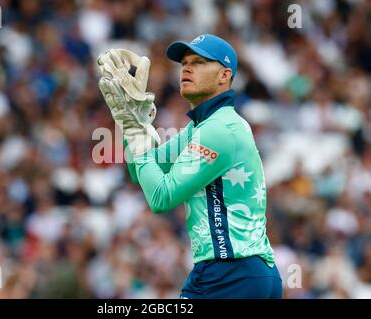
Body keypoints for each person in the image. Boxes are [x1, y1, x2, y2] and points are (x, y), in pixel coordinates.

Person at [97, 34, 282, 299]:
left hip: (229, 272)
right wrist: (135, 128)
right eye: (184, 62)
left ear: (224, 75)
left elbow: (161, 196)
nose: (186, 67)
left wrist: (135, 134)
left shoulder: (219, 129)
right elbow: (141, 172)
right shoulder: (205, 125)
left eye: (199, 62)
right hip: (245, 271)